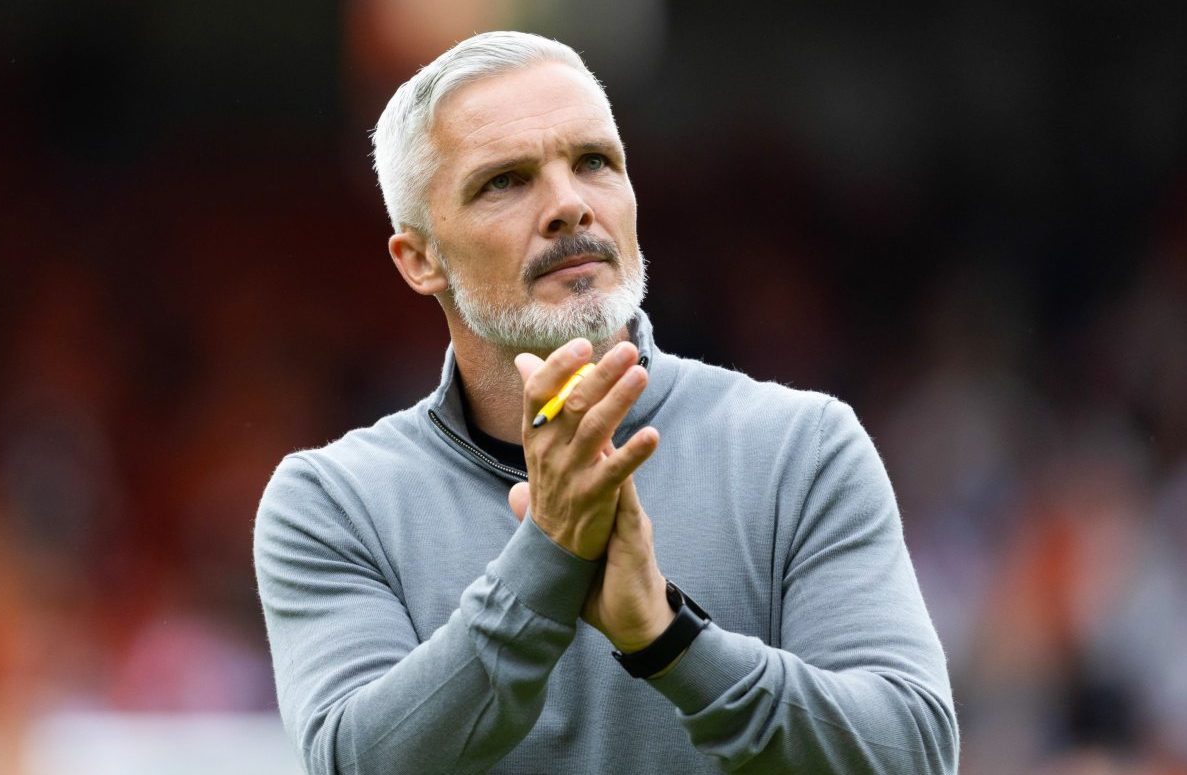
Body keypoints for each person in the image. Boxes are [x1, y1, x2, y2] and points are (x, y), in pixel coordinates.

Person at [254, 31, 958, 775]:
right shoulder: (333, 500)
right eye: (504, 181)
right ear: (420, 258)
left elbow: (910, 754)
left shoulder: (800, 448)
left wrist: (668, 640)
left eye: (593, 162)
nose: (568, 205)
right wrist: (548, 555)